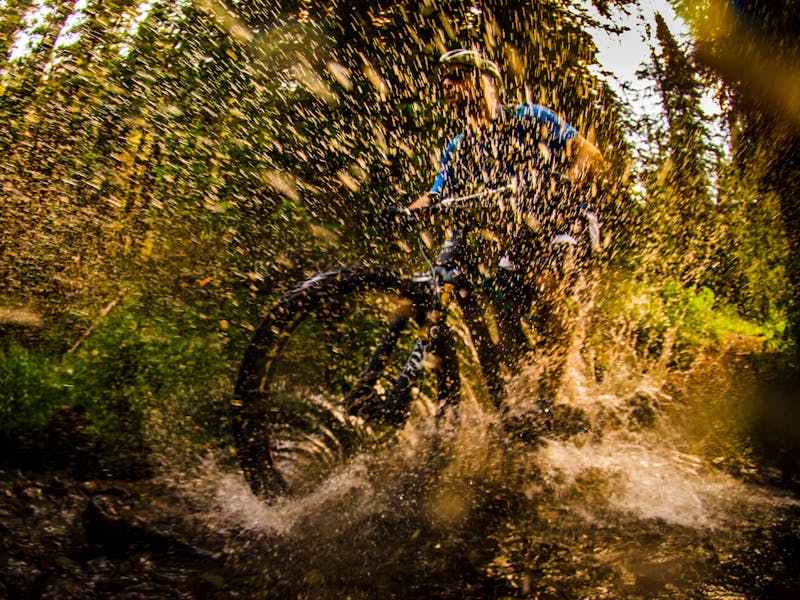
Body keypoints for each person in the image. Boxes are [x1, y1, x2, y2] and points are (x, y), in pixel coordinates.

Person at [386, 48, 605, 416]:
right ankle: (526, 397)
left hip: (567, 222)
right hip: (523, 238)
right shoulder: (459, 146)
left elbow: (590, 156)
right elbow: (438, 196)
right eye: (444, 79)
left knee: (543, 281)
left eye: (458, 74)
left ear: (486, 82)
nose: (447, 83)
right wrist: (405, 213)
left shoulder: (530, 118)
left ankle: (546, 403)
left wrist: (562, 184)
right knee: (502, 310)